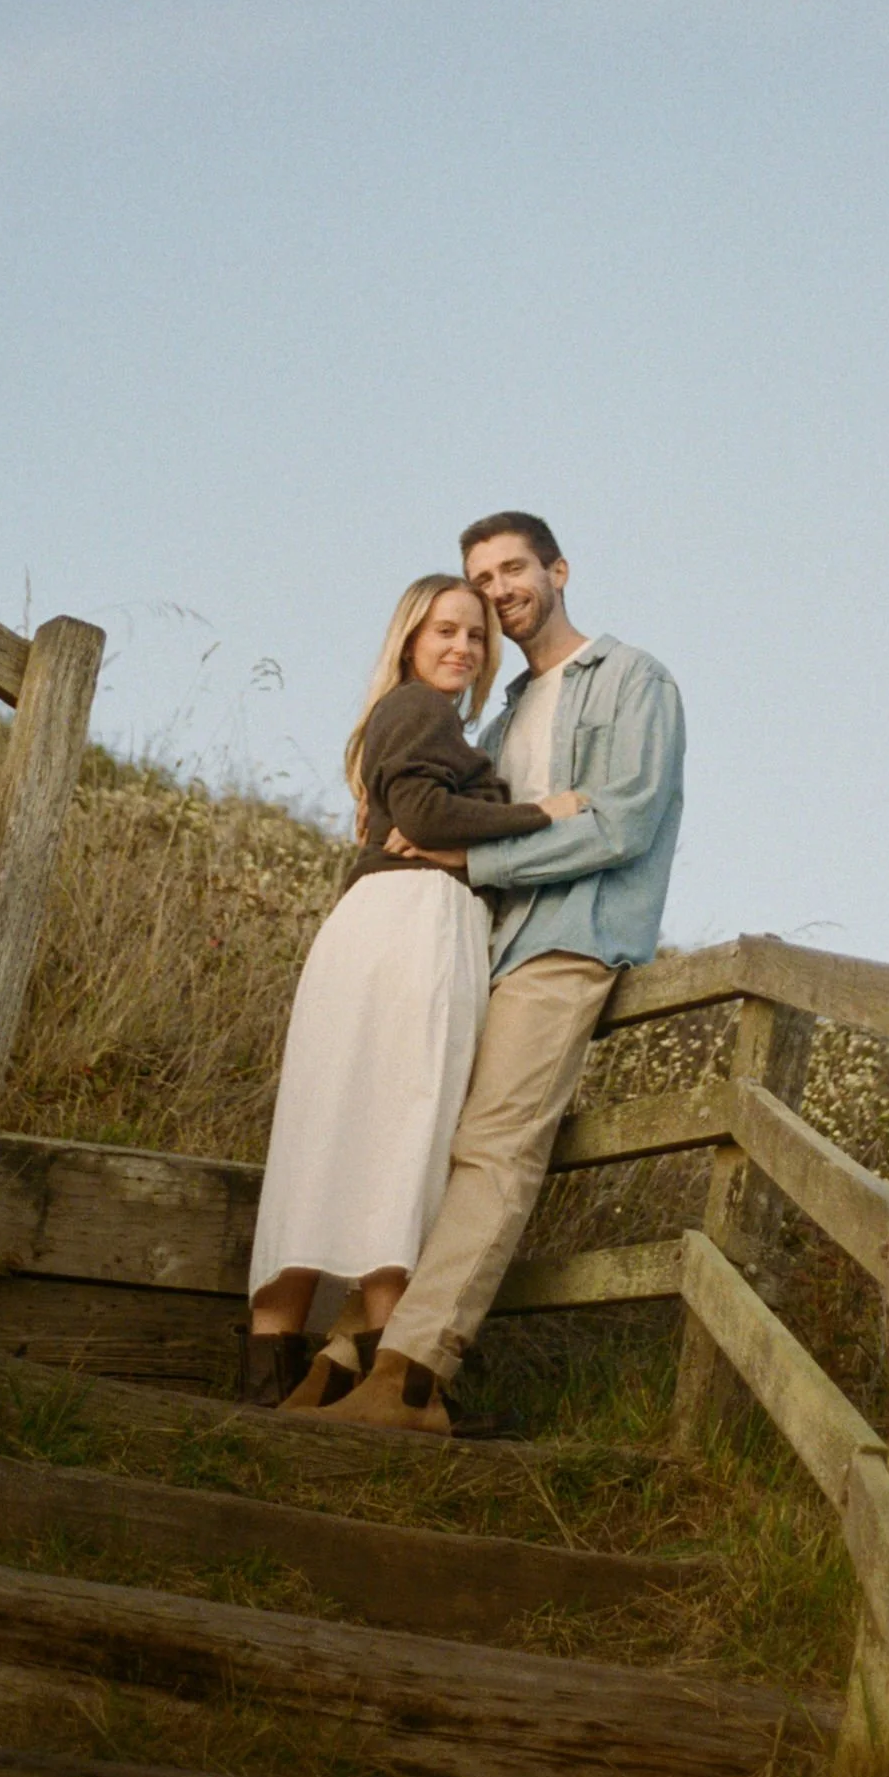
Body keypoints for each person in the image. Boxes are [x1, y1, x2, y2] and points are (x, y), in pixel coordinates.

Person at [300, 512, 684, 1432]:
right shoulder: (501, 713)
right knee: (426, 1134)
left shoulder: (631, 677)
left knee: (493, 1147)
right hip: (485, 946)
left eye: (514, 568)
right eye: (482, 577)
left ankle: (413, 1378)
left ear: (558, 570)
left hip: (568, 940)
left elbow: (621, 823)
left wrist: (474, 859)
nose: (499, 589)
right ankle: (347, 1350)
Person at [240, 573, 585, 1406]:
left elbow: (423, 815)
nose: (462, 646)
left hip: (386, 926)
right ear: (408, 640)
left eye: (475, 635)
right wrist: (544, 813)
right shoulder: (420, 709)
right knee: (398, 1133)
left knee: (336, 1134)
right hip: (410, 929)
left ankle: (273, 1370)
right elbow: (427, 819)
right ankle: (393, 1375)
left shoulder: (408, 716)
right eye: (444, 630)